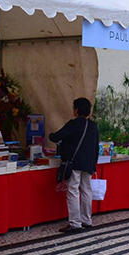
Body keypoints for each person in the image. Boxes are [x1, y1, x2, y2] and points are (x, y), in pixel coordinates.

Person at [48, 97, 100, 233]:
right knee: (87, 191)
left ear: (76, 110)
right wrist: (94, 164)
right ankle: (87, 220)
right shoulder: (93, 126)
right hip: (88, 163)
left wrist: (50, 134)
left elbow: (56, 137)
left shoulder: (73, 124)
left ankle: (75, 223)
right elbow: (96, 147)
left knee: (73, 191)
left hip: (74, 162)